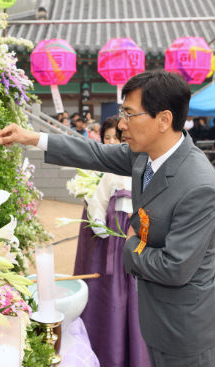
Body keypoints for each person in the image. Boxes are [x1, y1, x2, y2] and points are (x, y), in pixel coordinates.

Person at [0, 70, 215, 367]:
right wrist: (31, 137)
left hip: (185, 329)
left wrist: (130, 243)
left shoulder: (198, 184)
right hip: (157, 317)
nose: (122, 124)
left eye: (130, 114)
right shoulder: (145, 155)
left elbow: (174, 267)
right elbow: (94, 153)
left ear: (164, 120)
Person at [73, 116, 149, 367]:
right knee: (115, 301)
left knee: (138, 302)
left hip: (136, 242)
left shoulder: (149, 168)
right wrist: (103, 228)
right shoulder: (112, 173)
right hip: (117, 247)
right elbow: (97, 208)